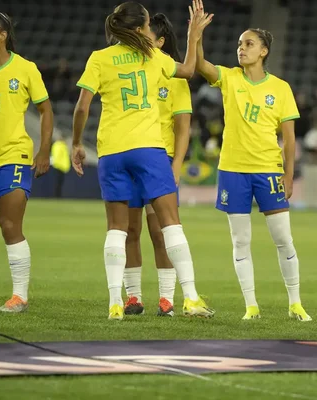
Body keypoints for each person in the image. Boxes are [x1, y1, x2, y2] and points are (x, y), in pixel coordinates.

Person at [71, 1, 214, 320]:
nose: (151, 30)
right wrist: (193, 36)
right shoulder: (154, 57)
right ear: (139, 29)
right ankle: (190, 297)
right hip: (149, 149)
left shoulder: (99, 58)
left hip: (111, 151)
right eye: (148, 25)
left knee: (117, 229)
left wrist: (78, 142)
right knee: (170, 224)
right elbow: (188, 71)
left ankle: (114, 303)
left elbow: (82, 107)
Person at [193, 0, 311, 321]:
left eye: (249, 44)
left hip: (268, 172)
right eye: (239, 44)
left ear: (264, 52)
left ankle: (295, 303)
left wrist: (288, 175)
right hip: (233, 171)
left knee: (283, 239)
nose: (241, 49)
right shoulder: (229, 78)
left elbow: (288, 138)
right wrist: (196, 34)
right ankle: (251, 306)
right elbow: (200, 65)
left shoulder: (280, 89)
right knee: (240, 240)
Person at [0, 12, 53, 313]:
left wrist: (44, 151)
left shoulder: (26, 69)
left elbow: (46, 111)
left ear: (3, 35)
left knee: (11, 225)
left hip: (15, 156)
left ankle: (19, 296)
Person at [124, 13, 199, 317]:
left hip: (161, 160)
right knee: (130, 229)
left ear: (160, 41)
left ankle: (166, 298)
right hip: (129, 154)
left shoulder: (174, 77)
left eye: (145, 35)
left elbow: (183, 127)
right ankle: (133, 297)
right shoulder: (130, 70)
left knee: (160, 231)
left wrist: (177, 164)